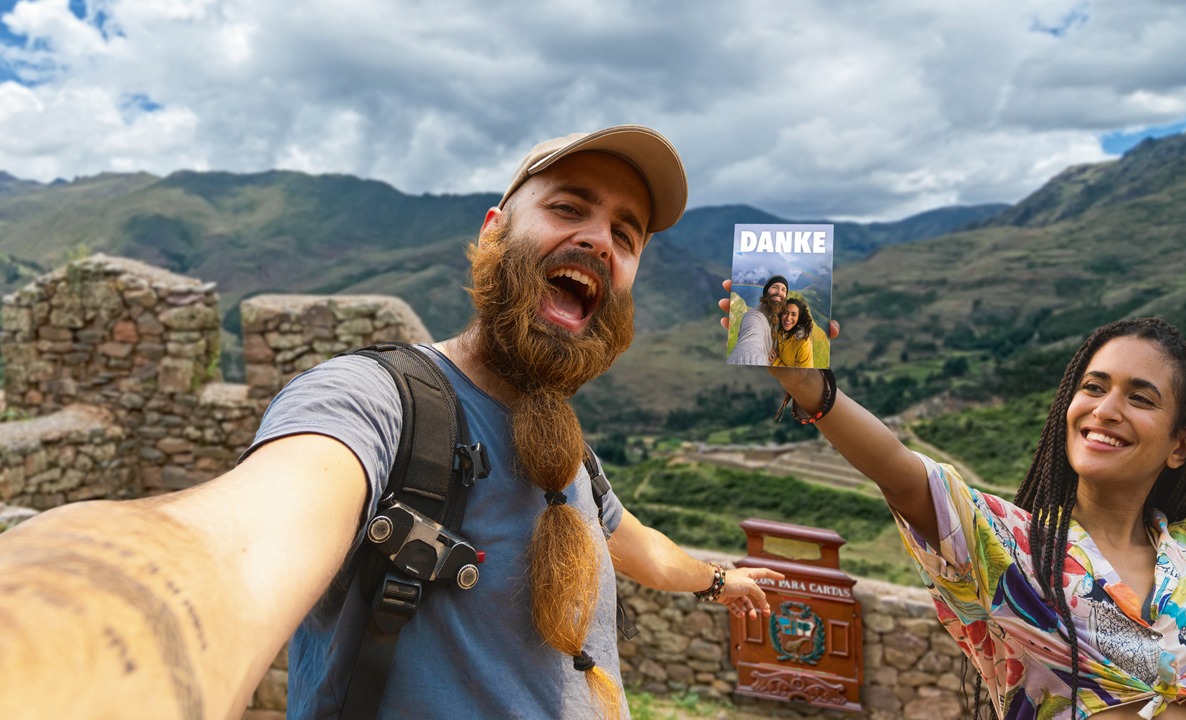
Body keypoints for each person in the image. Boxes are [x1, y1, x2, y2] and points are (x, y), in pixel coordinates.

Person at [0, 126, 785, 720]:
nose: (598, 240)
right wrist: (59, 642)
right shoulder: (373, 401)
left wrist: (721, 578)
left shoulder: (560, 442)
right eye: (569, 208)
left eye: (626, 234)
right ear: (492, 232)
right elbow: (231, 550)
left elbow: (622, 536)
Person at [720, 286, 1186, 719]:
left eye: (1140, 398)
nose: (1106, 409)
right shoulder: (1014, 549)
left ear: (1180, 445)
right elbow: (902, 473)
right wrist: (807, 384)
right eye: (1093, 386)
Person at [727, 274, 788, 365]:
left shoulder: (785, 316)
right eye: (775, 287)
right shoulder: (754, 316)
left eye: (783, 290)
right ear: (766, 292)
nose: (779, 292)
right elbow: (750, 341)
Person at [772, 296, 814, 368]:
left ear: (799, 318)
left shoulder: (803, 344)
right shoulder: (780, 331)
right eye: (785, 313)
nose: (788, 318)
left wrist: (777, 362)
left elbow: (802, 374)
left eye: (793, 314)